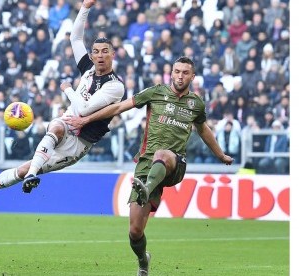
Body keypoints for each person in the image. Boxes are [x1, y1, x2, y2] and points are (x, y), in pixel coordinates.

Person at [63, 56, 234, 275]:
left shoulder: (195, 104)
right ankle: (143, 260)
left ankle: (147, 188)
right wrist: (85, 120)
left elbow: (203, 130)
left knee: (164, 154)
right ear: (171, 73)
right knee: (135, 231)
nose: (180, 76)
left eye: (185, 73)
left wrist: (220, 155)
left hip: (174, 164)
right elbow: (119, 107)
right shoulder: (155, 93)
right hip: (145, 165)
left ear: (192, 76)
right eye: (177, 71)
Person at [0, 0, 125, 197]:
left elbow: (83, 109)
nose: (100, 55)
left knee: (23, 169)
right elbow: (75, 39)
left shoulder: (115, 86)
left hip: (79, 143)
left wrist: (67, 89)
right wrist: (84, 8)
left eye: (105, 52)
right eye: (96, 51)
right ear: (91, 56)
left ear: (113, 54)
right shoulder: (88, 69)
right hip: (66, 123)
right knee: (56, 126)